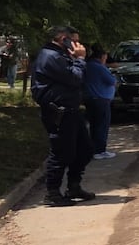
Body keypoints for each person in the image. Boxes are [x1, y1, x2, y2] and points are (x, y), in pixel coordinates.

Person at [30, 25, 96, 206]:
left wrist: (77, 59)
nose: (78, 45)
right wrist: (80, 59)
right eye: (74, 40)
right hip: (58, 112)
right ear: (62, 38)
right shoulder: (50, 56)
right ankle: (52, 193)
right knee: (61, 152)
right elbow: (75, 78)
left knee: (85, 149)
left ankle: (74, 186)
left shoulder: (61, 55)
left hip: (71, 111)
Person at [83, 44, 117, 160]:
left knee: (94, 125)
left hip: (90, 99)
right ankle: (100, 150)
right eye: (105, 57)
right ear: (102, 56)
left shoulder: (87, 65)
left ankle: (94, 149)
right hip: (100, 99)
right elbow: (111, 81)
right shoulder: (99, 67)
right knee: (102, 125)